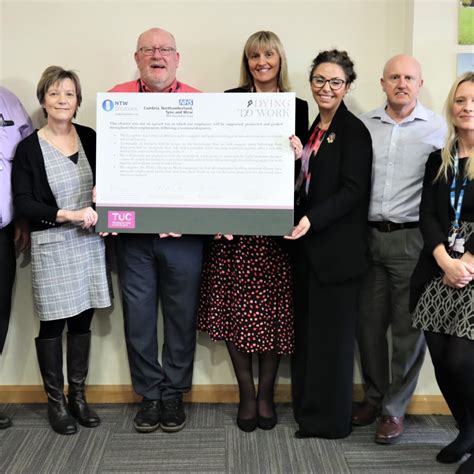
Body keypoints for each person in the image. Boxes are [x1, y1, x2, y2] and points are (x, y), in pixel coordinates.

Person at [197, 30, 308, 432]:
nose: (262, 61)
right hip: (233, 229)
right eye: (255, 55)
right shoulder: (229, 100)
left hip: (275, 228)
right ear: (248, 61)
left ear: (280, 59)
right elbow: (214, 158)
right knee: (234, 312)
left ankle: (266, 395)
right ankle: (246, 393)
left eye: (269, 54)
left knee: (273, 312)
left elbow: (303, 176)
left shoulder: (297, 106)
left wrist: (300, 155)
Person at [109, 28, 204, 433]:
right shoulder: (118, 97)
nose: (157, 55)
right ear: (137, 57)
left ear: (177, 58)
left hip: (184, 236)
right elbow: (112, 162)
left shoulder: (201, 103)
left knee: (182, 315)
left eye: (165, 49)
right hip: (134, 236)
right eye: (149, 49)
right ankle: (149, 394)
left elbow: (208, 169)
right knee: (139, 317)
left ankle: (173, 394)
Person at [12, 66, 112, 435]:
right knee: (53, 323)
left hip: (89, 244)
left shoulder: (90, 137)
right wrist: (66, 214)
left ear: (78, 101)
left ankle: (79, 398)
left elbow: (113, 179)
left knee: (83, 320)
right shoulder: (28, 148)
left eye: (68, 94)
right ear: (43, 100)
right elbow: (24, 203)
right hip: (52, 243)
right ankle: (56, 402)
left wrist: (107, 196)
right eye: (54, 94)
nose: (62, 100)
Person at [353, 55, 447, 444]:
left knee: (409, 332)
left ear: (420, 83)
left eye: (409, 77)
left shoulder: (439, 129)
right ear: (382, 82)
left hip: (413, 241)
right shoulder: (364, 126)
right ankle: (374, 397)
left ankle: (394, 410)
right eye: (394, 77)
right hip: (367, 237)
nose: (402, 83)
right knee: (369, 326)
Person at [286, 50, 373, 439]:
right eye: (320, 80)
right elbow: (306, 183)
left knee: (333, 344)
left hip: (337, 256)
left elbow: (353, 190)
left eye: (335, 82)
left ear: (347, 87)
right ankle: (309, 411)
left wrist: (311, 219)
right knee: (309, 338)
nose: (326, 88)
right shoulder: (311, 130)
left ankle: (330, 422)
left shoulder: (354, 131)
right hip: (307, 253)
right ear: (311, 83)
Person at [411, 72, 474, 473]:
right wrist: (443, 259)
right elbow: (428, 213)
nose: (467, 108)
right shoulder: (440, 158)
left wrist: (467, 263)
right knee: (437, 351)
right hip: (439, 262)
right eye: (462, 100)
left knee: (460, 361)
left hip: (471, 265)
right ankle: (466, 430)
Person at [0, 87, 33, 429]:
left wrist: (22, 218)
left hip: (2, 230)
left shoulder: (8, 102)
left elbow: (22, 163)